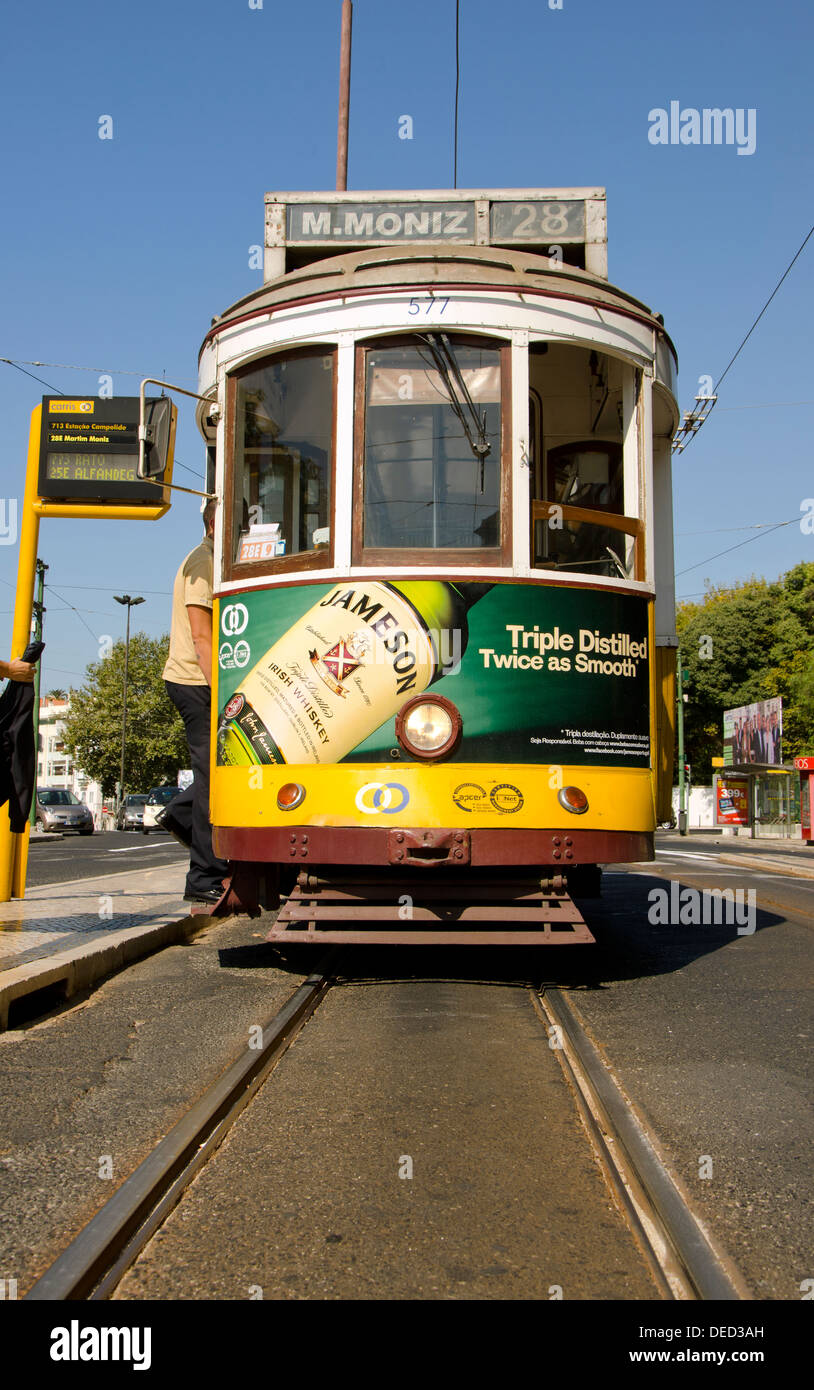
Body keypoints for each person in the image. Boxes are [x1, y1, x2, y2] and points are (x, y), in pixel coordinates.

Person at [162, 499, 228, 906]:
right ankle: (203, 877)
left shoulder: (212, 561)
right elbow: (202, 637)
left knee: (218, 770)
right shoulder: (202, 563)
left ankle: (180, 814)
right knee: (211, 775)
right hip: (194, 682)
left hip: (197, 681)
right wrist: (220, 694)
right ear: (211, 523)